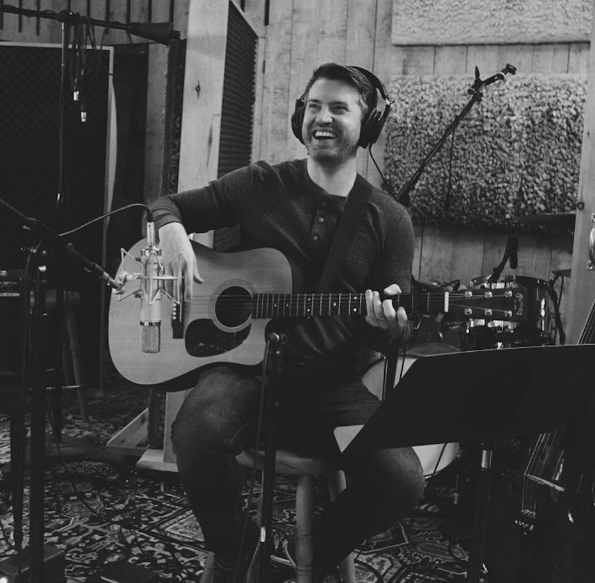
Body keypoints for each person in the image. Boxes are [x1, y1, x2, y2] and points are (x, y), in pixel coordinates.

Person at [149, 63, 425, 582]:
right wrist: (170, 231)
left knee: (402, 478)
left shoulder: (389, 219)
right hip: (243, 372)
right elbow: (165, 205)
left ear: (367, 125)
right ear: (300, 116)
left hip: (330, 386)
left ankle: (311, 555)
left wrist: (386, 325)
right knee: (195, 433)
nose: (323, 118)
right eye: (314, 106)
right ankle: (237, 551)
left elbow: (396, 330)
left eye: (339, 108)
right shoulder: (260, 184)